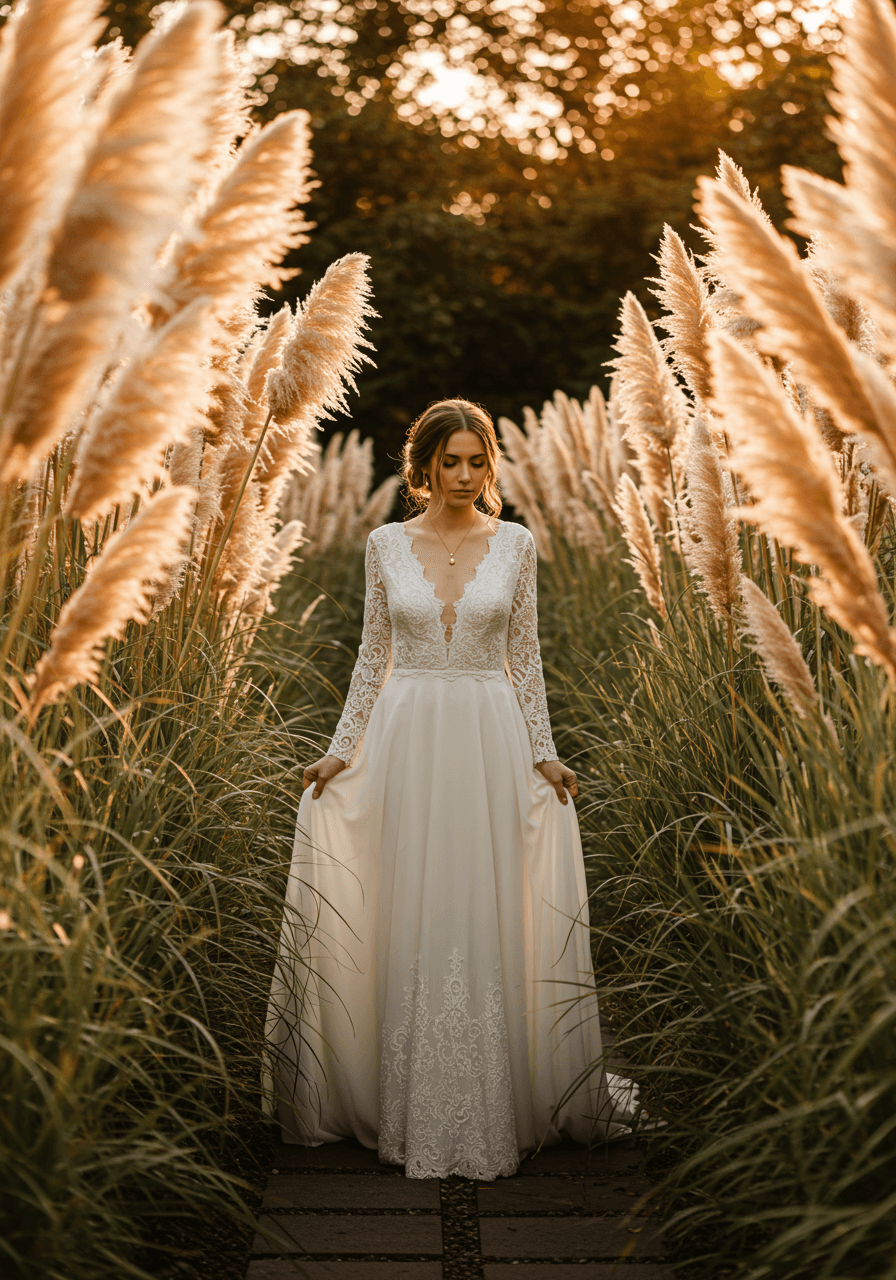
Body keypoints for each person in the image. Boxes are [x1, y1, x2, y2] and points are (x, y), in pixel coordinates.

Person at [264, 398, 636, 1181]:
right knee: (410, 898)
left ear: (489, 465)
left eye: (477, 461)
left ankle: (494, 1098)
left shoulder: (517, 545)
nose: (464, 475)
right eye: (450, 461)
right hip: (405, 737)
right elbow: (372, 656)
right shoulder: (385, 545)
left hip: (488, 736)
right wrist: (338, 751)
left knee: (478, 897)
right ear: (425, 466)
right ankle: (403, 1094)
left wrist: (546, 754)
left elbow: (525, 658)